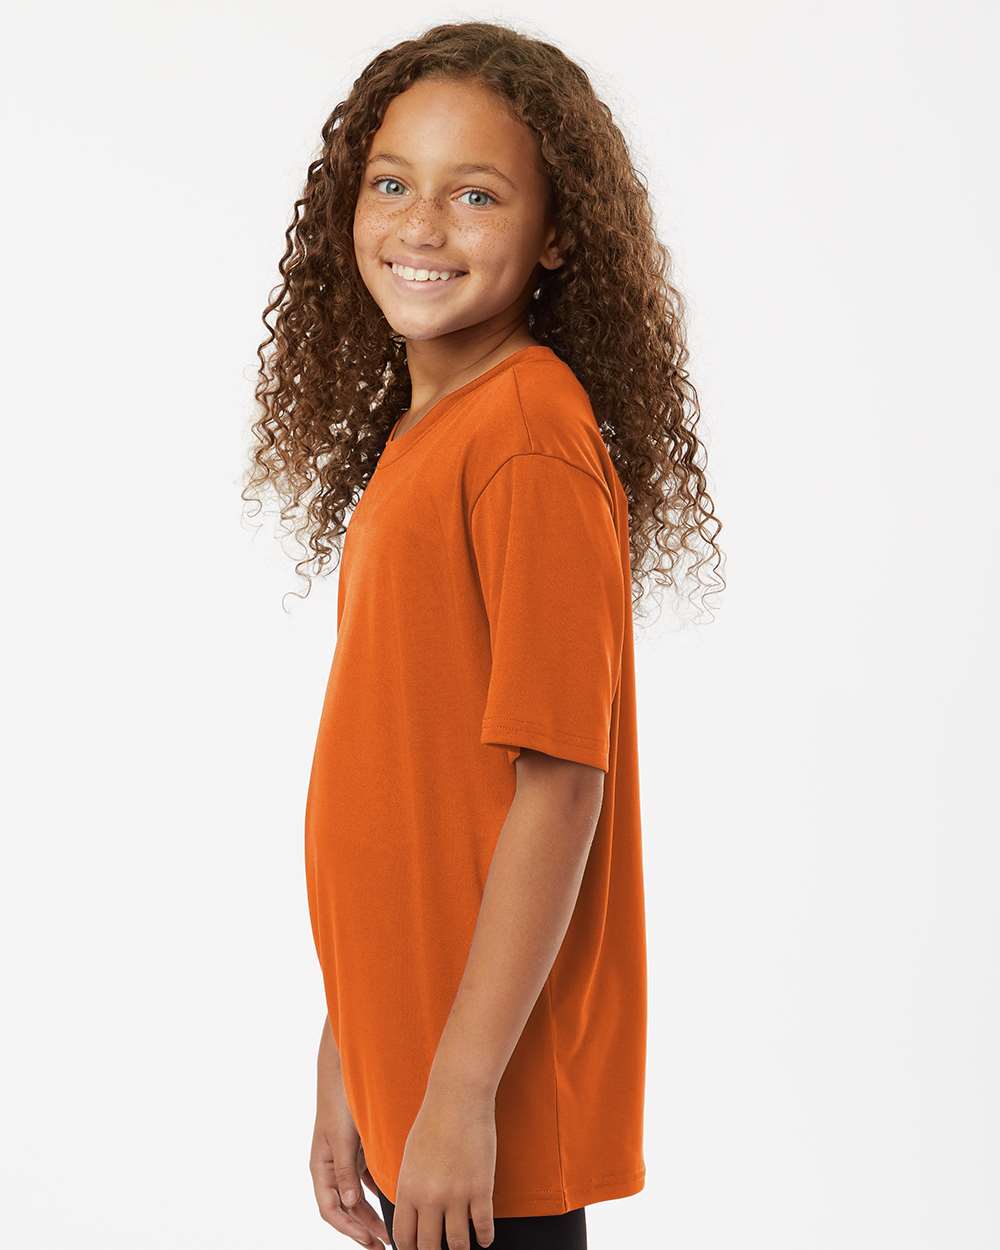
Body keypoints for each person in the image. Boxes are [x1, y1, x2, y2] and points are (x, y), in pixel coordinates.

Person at [243, 20, 723, 1250]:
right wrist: (350, 1051)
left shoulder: (525, 437)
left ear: (557, 231)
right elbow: (407, 782)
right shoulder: (431, 435)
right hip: (417, 1053)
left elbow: (560, 780)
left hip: (484, 1087)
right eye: (391, 183)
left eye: (475, 194)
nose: (421, 225)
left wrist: (457, 1091)